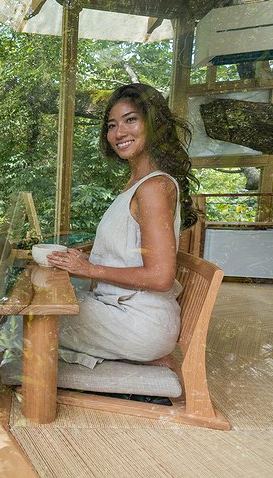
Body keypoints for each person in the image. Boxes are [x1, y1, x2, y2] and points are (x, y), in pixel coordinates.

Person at [46, 83, 199, 368]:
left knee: (26, 321)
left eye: (131, 120)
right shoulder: (138, 185)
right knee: (44, 308)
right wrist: (81, 260)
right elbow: (126, 254)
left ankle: (23, 393)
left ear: (154, 124)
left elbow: (161, 276)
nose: (119, 133)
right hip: (128, 313)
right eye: (112, 125)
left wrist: (89, 268)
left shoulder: (153, 187)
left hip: (139, 323)